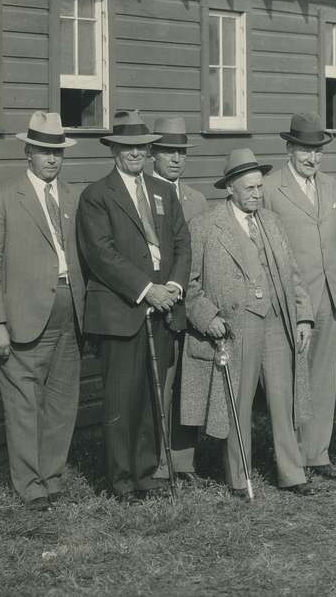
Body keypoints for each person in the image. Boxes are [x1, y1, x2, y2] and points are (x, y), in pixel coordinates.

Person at [181, 149, 317, 497]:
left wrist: (303, 316)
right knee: (236, 403)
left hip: (276, 323)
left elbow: (293, 275)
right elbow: (190, 286)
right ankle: (240, 478)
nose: (257, 194)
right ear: (230, 188)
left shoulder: (271, 222)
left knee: (282, 399)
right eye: (249, 188)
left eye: (259, 187)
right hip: (235, 327)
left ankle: (292, 472)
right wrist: (207, 318)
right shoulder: (207, 226)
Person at [0, 112, 86, 511]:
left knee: (61, 399)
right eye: (43, 150)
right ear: (28, 152)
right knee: (23, 404)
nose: (52, 159)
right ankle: (30, 485)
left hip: (70, 312)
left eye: (57, 151)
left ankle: (52, 476)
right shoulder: (3, 198)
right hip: (22, 318)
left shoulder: (72, 197)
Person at [77, 110, 191, 501]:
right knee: (122, 397)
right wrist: (147, 289)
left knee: (150, 394)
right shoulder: (96, 196)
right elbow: (101, 255)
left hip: (162, 308)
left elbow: (181, 243)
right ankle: (122, 479)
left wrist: (173, 285)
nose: (135, 153)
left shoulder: (162, 191)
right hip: (122, 310)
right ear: (113, 151)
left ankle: (146, 473)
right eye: (127, 147)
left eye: (141, 147)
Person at [263, 112, 336, 482]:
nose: (312, 158)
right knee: (292, 380)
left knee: (323, 377)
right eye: (304, 151)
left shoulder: (331, 186)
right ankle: (293, 458)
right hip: (293, 300)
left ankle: (318, 453)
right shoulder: (269, 188)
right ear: (289, 148)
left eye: (317, 151)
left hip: (331, 294)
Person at [149, 117, 207, 482]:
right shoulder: (145, 194)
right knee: (161, 384)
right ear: (154, 154)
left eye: (181, 152)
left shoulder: (196, 199)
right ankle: (156, 461)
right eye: (168, 151)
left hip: (192, 303)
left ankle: (184, 460)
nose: (175, 159)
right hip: (160, 304)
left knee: (190, 381)